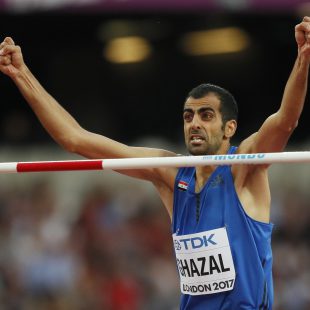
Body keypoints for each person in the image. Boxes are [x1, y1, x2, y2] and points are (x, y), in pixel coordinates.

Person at [0, 16, 310, 309]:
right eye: (188, 116)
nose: (194, 124)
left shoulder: (246, 165)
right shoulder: (168, 172)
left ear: (229, 128)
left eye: (206, 115)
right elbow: (74, 139)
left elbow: (285, 122)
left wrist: (304, 57)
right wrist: (21, 74)